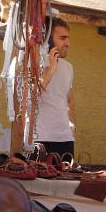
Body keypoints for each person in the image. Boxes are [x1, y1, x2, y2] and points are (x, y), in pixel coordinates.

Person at [36, 17, 75, 157]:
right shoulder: (31, 64)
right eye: (63, 38)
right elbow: (29, 98)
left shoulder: (68, 67)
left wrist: (72, 128)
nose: (68, 43)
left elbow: (69, 99)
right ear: (48, 39)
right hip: (40, 138)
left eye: (68, 38)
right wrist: (50, 70)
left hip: (65, 139)